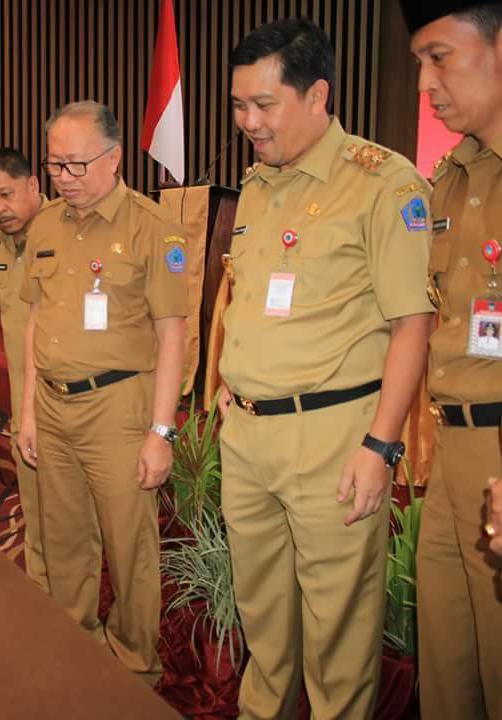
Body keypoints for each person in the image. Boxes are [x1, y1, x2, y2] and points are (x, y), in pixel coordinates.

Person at [212, 18, 434, 718]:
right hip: (249, 437)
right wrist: (229, 386)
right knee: (263, 620)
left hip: (333, 439)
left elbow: (412, 324)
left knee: (338, 632)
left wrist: (380, 446)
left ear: (317, 95)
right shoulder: (256, 185)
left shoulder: (383, 183)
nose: (248, 122)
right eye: (239, 105)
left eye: (264, 104)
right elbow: (249, 300)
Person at [16, 101, 186, 680]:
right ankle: (76, 650)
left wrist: (160, 432)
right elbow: (34, 321)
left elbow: (172, 335)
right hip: (52, 403)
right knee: (64, 541)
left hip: (118, 407)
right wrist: (27, 411)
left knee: (129, 544)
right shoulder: (44, 225)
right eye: (55, 165)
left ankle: (136, 663)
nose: (65, 177)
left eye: (77, 164)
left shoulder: (152, 228)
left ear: (114, 158)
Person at [399, 3, 502, 717]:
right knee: (447, 671)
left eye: (440, 57)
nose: (424, 84)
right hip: (454, 447)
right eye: (418, 63)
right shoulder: (454, 177)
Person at [0, 147, 49, 591]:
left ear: (33, 185)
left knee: (75, 522)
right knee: (33, 512)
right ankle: (41, 593)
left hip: (65, 402)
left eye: (7, 195)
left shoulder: (63, 231)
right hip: (23, 403)